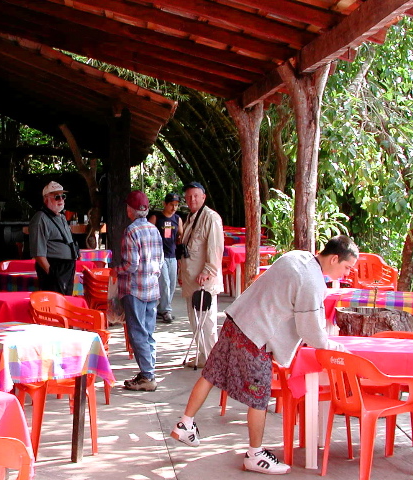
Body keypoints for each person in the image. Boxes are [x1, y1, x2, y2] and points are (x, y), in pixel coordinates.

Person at [171, 235, 359, 475]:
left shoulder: (298, 256)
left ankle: (185, 423)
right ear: (334, 259)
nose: (346, 274)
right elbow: (311, 332)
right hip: (255, 335)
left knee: (211, 374)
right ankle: (255, 455)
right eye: (347, 267)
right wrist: (333, 346)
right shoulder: (312, 281)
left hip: (236, 320)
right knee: (259, 398)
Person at [117, 190, 164, 391]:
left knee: (137, 333)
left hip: (134, 289)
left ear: (130, 210)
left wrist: (116, 271)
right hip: (152, 288)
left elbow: (131, 265)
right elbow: (160, 261)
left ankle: (147, 376)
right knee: (148, 332)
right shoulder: (154, 230)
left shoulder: (131, 231)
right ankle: (149, 371)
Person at [179, 181, 224, 368]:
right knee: (195, 320)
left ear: (203, 197)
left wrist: (208, 271)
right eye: (189, 197)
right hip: (191, 279)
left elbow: (215, 248)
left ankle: (214, 360)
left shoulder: (211, 218)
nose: (192, 200)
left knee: (207, 322)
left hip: (203, 281)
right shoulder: (191, 217)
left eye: (196, 196)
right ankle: (205, 354)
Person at [28, 181, 78, 295]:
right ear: (46, 199)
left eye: (63, 196)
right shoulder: (40, 219)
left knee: (66, 300)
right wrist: (51, 273)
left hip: (67, 267)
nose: (61, 200)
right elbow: (38, 253)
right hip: (54, 267)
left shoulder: (61, 217)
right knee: (55, 300)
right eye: (56, 197)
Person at [149, 193, 183, 324]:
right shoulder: (156, 218)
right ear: (165, 204)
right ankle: (166, 310)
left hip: (172, 255)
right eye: (171, 205)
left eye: (176, 205)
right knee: (165, 283)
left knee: (172, 284)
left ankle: (161, 309)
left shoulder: (177, 219)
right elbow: (147, 233)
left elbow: (181, 234)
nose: (174, 208)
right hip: (159, 256)